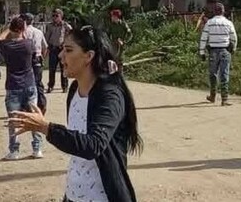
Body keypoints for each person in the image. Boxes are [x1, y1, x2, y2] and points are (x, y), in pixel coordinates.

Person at [9, 25, 142, 202]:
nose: (60, 55)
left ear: (89, 56)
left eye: (68, 50)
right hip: (74, 194)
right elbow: (78, 148)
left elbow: (93, 145)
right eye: (62, 49)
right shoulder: (74, 90)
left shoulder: (109, 95)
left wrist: (46, 128)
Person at [0, 17, 43, 160]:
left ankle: (14, 151)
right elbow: (28, 39)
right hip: (29, 84)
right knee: (34, 117)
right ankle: (37, 149)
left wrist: (8, 28)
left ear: (11, 29)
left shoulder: (7, 46)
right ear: (23, 29)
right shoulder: (28, 44)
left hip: (13, 85)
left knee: (13, 120)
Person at [198, 2, 237, 106]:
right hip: (225, 51)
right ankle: (224, 99)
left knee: (213, 74)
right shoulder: (228, 23)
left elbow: (203, 38)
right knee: (224, 74)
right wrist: (233, 48)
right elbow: (234, 38)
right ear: (223, 11)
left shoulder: (209, 23)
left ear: (214, 11)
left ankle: (212, 95)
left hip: (213, 52)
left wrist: (202, 52)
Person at [22, 13, 48, 113]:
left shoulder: (23, 32)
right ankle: (42, 105)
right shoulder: (39, 32)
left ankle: (28, 107)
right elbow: (45, 47)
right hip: (38, 58)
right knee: (38, 82)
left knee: (26, 84)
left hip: (27, 59)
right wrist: (42, 57)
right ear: (32, 21)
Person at [45, 8, 72, 93]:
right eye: (53, 16)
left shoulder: (65, 26)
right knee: (52, 68)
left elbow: (71, 35)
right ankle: (50, 85)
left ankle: (64, 86)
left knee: (64, 68)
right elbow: (47, 37)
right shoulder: (49, 26)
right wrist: (46, 48)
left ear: (61, 16)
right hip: (53, 49)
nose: (55, 17)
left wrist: (67, 44)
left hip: (62, 49)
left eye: (57, 15)